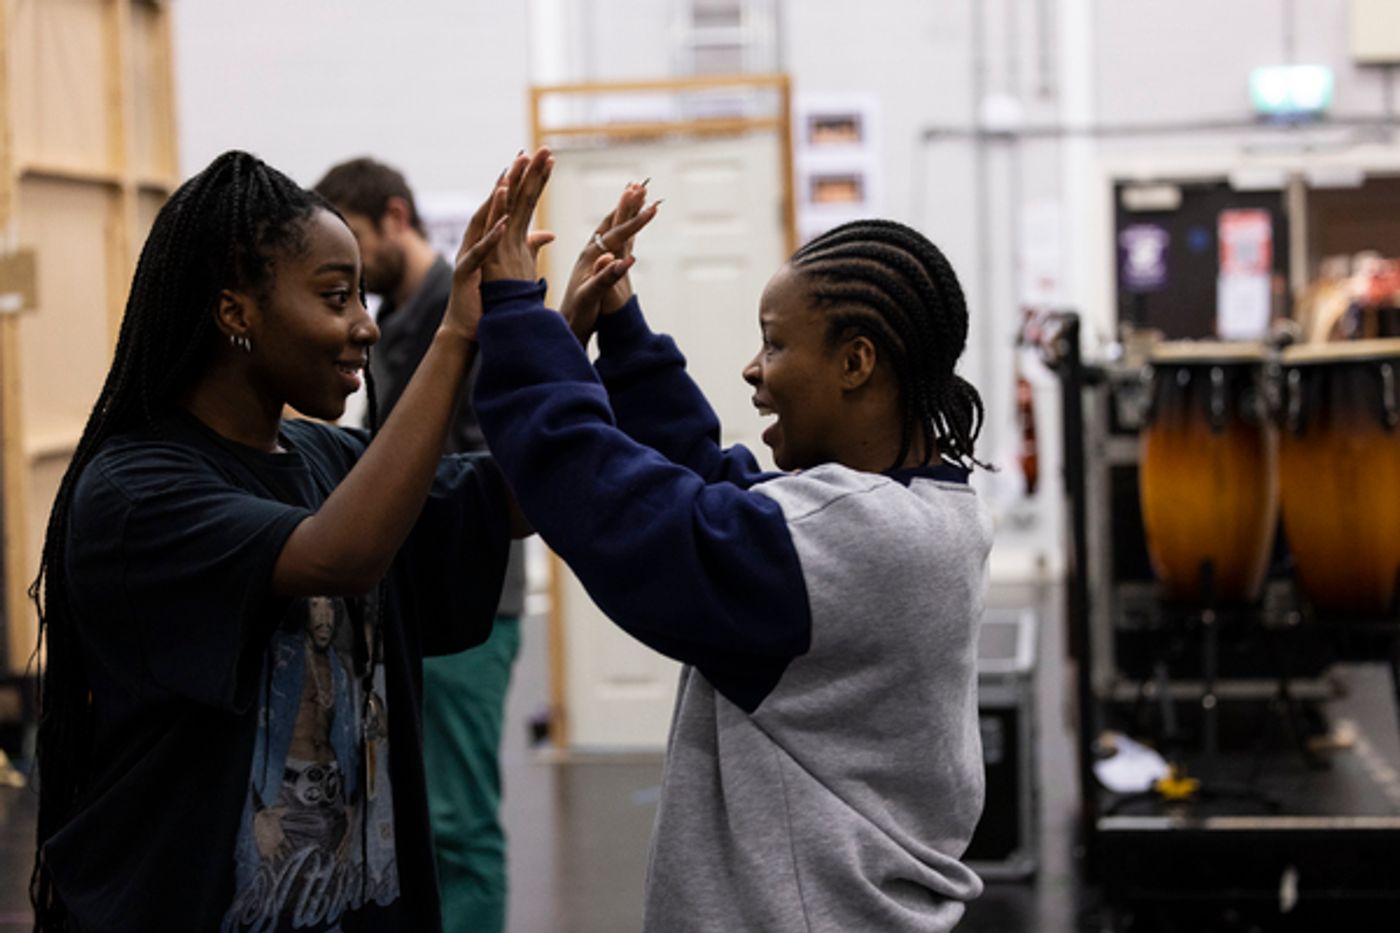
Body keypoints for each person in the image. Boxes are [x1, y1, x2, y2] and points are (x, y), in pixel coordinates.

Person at [28, 146, 552, 932]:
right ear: (236, 310)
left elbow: (514, 496)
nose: (365, 326)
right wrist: (453, 337)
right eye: (337, 297)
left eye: (364, 296)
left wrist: (540, 325)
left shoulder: (329, 456)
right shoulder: (136, 491)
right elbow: (340, 555)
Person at [470, 182, 994, 931]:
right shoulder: (926, 508)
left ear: (856, 363)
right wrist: (622, 328)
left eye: (776, 343)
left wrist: (519, 316)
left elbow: (623, 516)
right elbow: (714, 484)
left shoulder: (870, 538)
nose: (755, 367)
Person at [311, 156, 534, 933]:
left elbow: (488, 466)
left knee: (460, 819)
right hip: (415, 593)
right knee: (422, 818)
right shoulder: (400, 320)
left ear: (396, 218)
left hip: (474, 599)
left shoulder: (451, 314)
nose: (351, 286)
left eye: (355, 244)